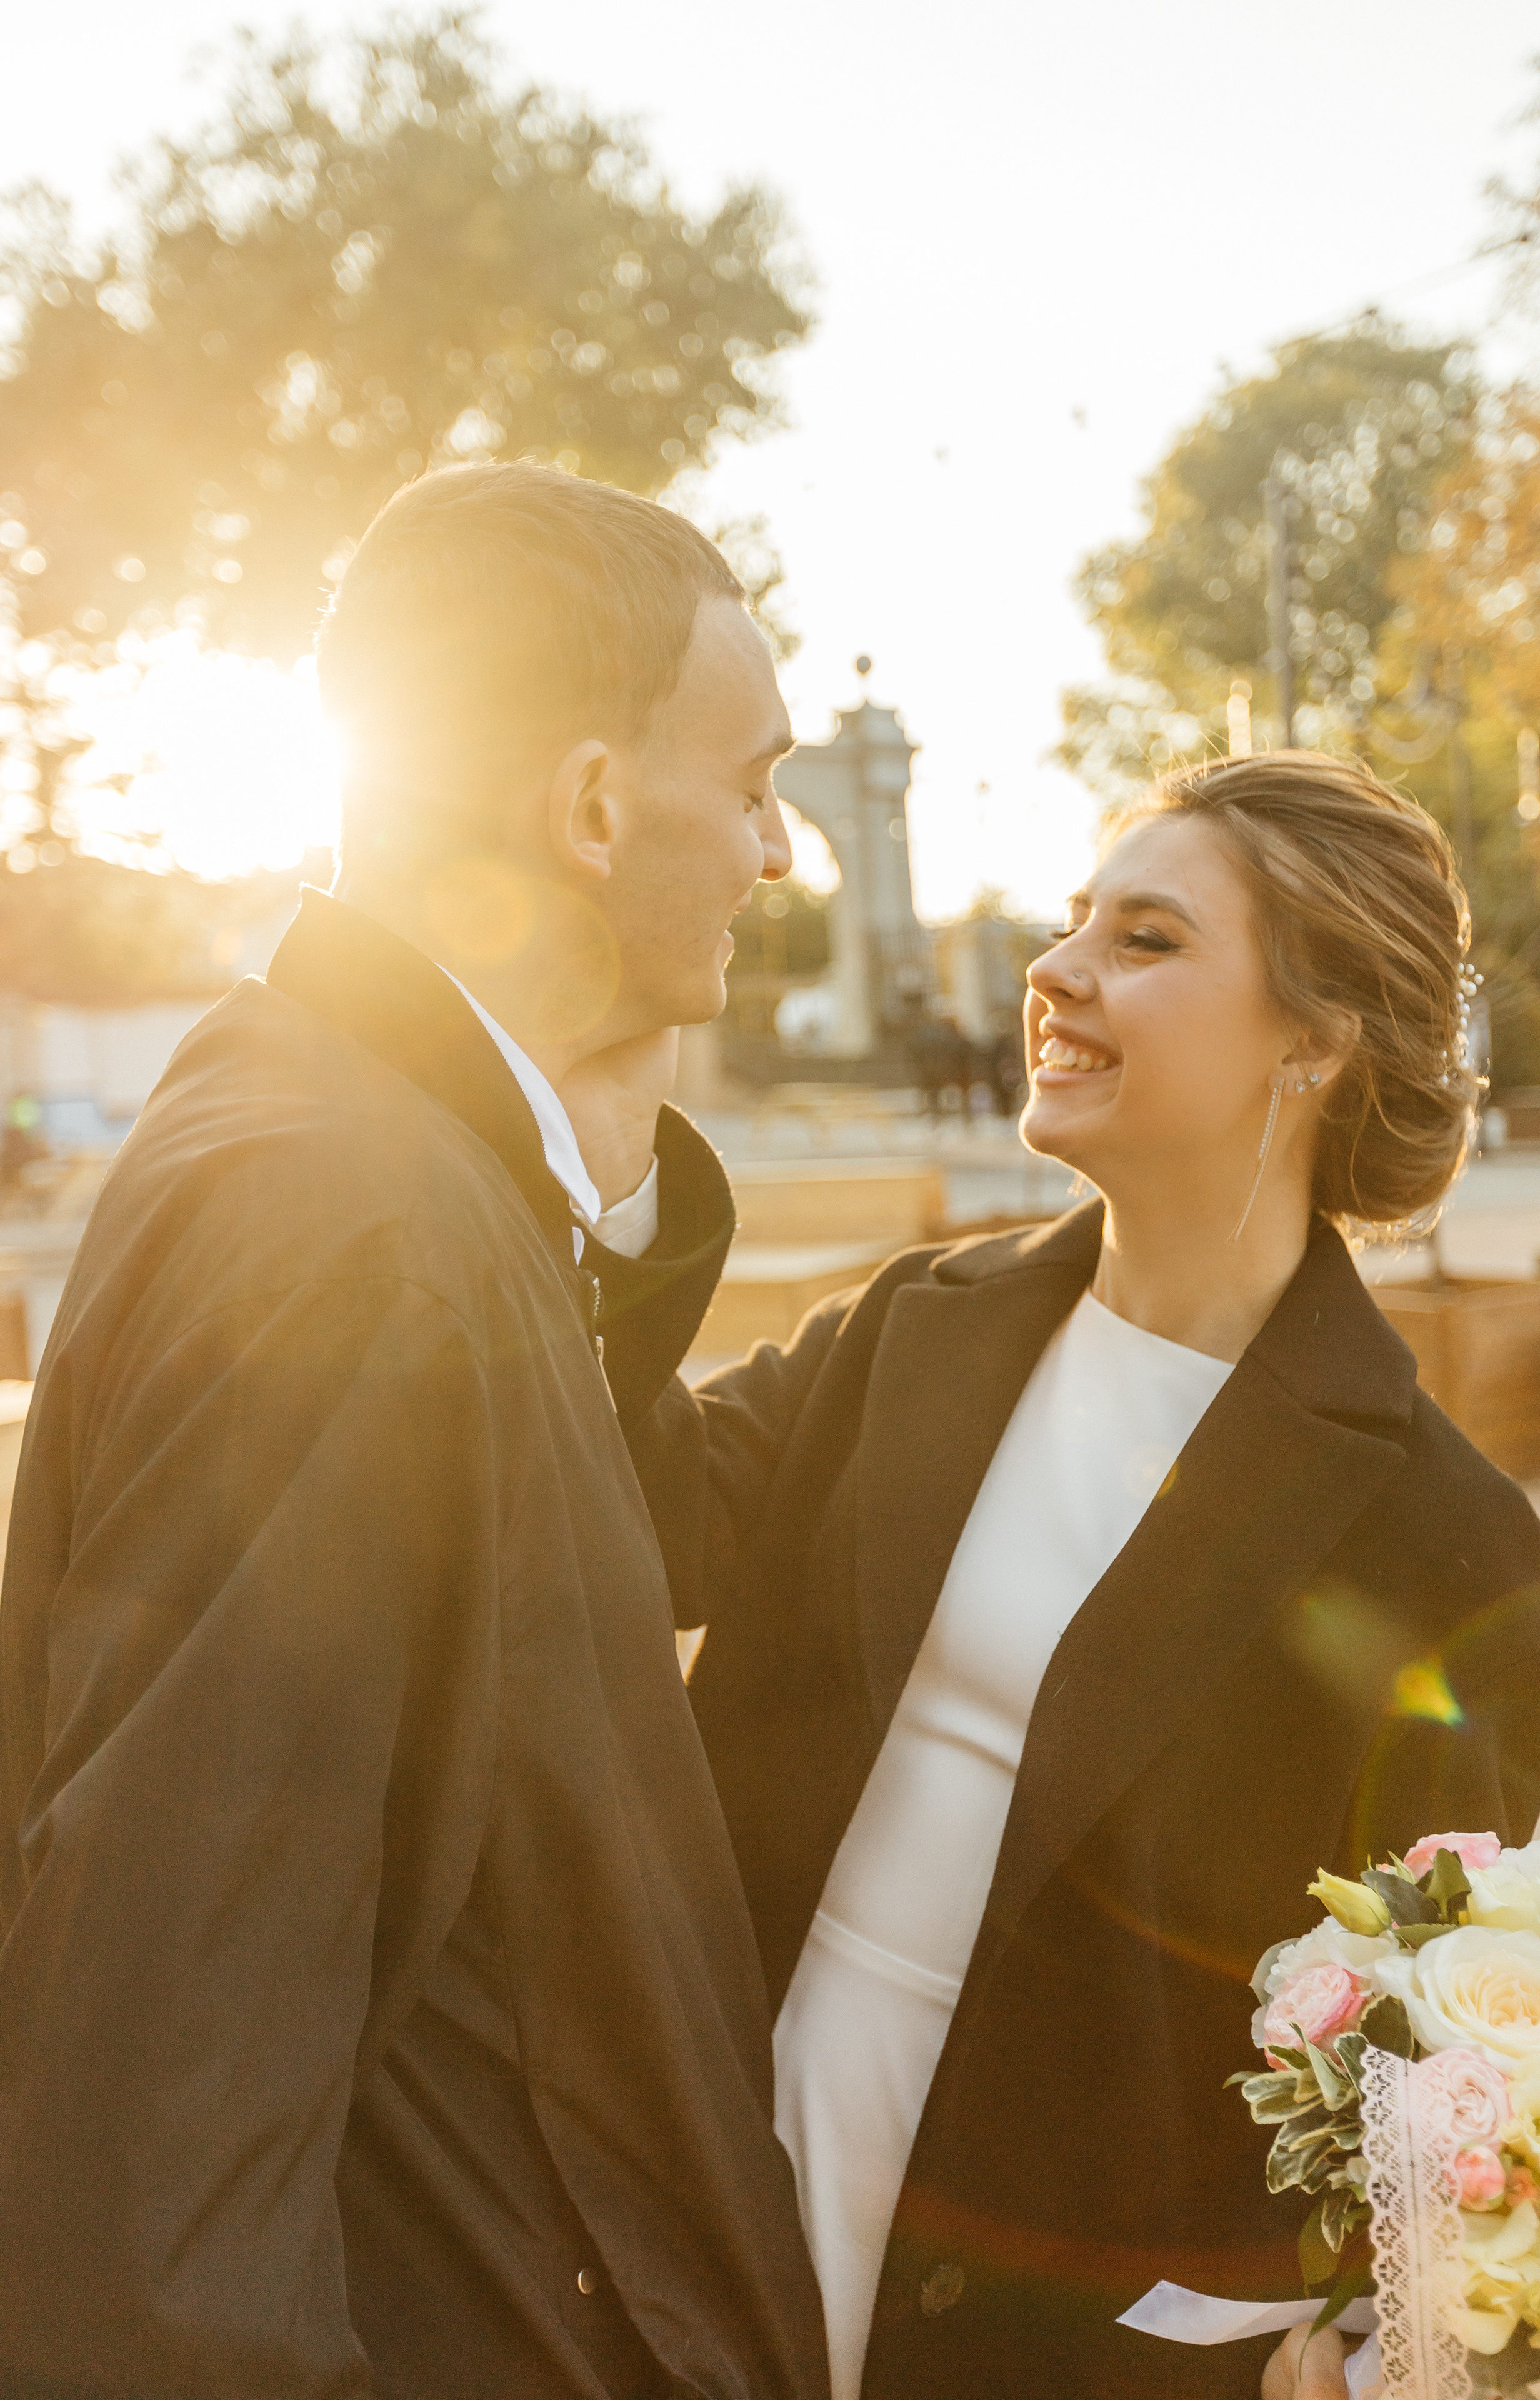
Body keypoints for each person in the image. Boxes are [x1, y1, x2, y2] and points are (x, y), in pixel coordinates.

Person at [0, 465, 831, 2400]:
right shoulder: (351, 1234)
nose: (780, 850)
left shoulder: (365, 1134)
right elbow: (174, 2073)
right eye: (756, 781)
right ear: (595, 805)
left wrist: (596, 1175)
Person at [622, 753, 1540, 2400]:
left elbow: (1420, 2045)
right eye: (1074, 925)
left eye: (1144, 938)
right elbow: (618, 1504)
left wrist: (1317, 2334)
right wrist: (565, 1141)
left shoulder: (1442, 1537)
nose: (1054, 974)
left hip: (1064, 2318)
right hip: (735, 2153)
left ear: (1314, 1040)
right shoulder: (915, 1325)